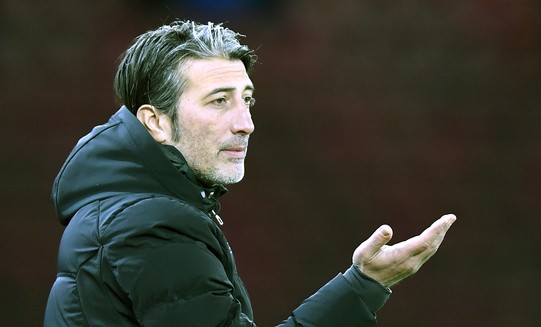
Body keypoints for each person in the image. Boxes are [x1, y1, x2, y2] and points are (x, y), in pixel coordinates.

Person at [44, 20, 456, 326]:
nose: (246, 122)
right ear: (155, 122)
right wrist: (364, 285)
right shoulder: (151, 223)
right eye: (219, 101)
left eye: (247, 99)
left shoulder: (125, 207)